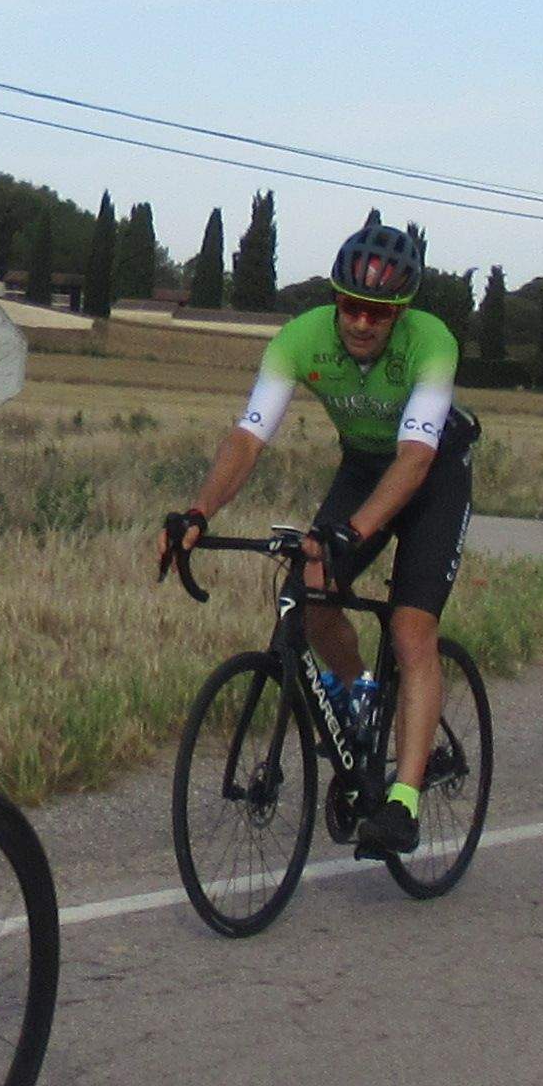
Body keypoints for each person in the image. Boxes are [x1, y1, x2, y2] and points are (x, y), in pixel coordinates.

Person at [158, 216, 471, 858]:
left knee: (411, 628)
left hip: (433, 474)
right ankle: (361, 695)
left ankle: (404, 802)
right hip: (363, 466)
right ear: (335, 300)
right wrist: (198, 513)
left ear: (400, 312)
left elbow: (414, 460)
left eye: (378, 312)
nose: (361, 322)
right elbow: (248, 438)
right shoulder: (300, 339)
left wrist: (349, 532)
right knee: (313, 588)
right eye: (351, 306)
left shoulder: (431, 341)